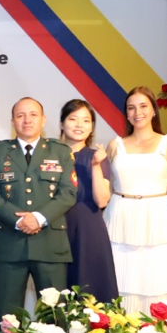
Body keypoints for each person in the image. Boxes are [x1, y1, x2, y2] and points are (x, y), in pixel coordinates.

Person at [0, 98, 77, 318]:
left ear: (43, 120)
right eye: (20, 115)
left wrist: (39, 217)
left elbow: (68, 193)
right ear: (12, 121)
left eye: (33, 114)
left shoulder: (60, 152)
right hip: (9, 244)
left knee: (55, 317)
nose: (27, 120)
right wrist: (18, 220)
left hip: (50, 244)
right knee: (6, 319)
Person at [105, 87, 167, 316]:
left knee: (159, 283)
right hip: (119, 219)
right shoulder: (115, 145)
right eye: (131, 107)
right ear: (126, 114)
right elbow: (109, 187)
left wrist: (153, 211)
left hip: (158, 222)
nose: (137, 112)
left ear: (153, 111)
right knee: (121, 283)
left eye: (143, 106)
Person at [58, 99, 118, 303]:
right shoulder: (50, 156)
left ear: (92, 126)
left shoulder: (98, 157)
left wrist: (95, 166)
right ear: (61, 124)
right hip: (56, 230)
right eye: (73, 119)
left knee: (91, 292)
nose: (79, 125)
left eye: (86, 120)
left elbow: (102, 201)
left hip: (88, 231)